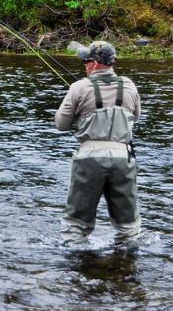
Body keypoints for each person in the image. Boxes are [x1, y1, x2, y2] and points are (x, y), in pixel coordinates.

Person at [55, 41, 141, 246]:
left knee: (76, 226)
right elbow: (136, 118)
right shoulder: (129, 85)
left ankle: (77, 270)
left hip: (89, 159)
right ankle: (125, 267)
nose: (84, 64)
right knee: (129, 226)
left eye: (86, 61)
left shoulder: (79, 87)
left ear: (94, 64)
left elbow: (61, 124)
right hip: (123, 158)